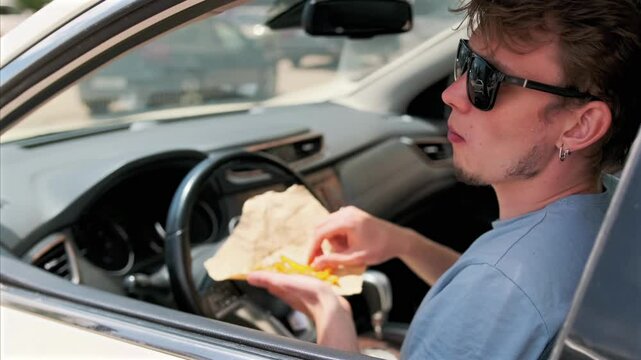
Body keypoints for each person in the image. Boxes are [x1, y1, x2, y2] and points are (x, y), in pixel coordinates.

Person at [248, 0, 641, 358]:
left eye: (487, 79)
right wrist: (405, 243)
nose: (452, 94)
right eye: (466, 61)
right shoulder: (603, 212)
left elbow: (501, 296)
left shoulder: (497, 285)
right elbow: (509, 302)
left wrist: (329, 311)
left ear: (579, 126)